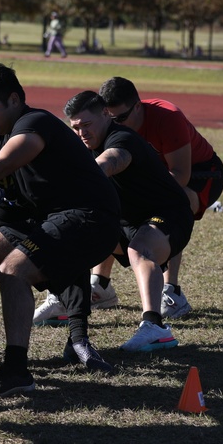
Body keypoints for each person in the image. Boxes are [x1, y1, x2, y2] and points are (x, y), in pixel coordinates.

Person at [0, 64, 121, 396]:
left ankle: (16, 370)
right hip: (52, 220)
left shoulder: (34, 124)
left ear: (15, 99)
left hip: (90, 219)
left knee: (13, 268)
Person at [64, 91, 194, 352]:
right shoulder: (82, 145)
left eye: (86, 125)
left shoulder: (121, 137)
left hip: (170, 214)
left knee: (140, 249)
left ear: (105, 114)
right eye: (76, 127)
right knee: (75, 232)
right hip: (128, 222)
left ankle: (154, 327)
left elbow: (113, 159)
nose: (81, 133)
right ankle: (66, 299)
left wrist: (87, 174)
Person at [97, 77, 223, 318]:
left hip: (200, 172)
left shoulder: (167, 117)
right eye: (109, 119)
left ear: (137, 107)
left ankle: (171, 290)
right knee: (109, 199)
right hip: (155, 175)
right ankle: (100, 284)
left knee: (173, 204)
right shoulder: (109, 125)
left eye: (121, 119)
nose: (116, 125)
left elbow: (180, 175)